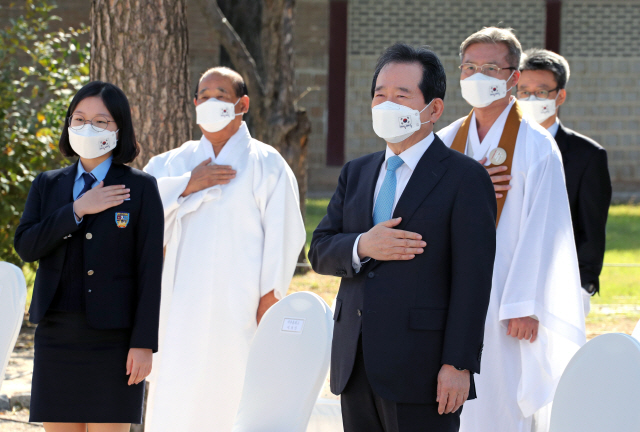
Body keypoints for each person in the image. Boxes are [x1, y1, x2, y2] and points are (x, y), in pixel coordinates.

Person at [310, 43, 497, 432]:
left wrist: (459, 364)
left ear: (433, 109)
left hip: (423, 370)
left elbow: (473, 281)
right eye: (380, 95)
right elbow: (321, 250)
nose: (387, 104)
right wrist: (363, 245)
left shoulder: (464, 178)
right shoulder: (356, 173)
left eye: (401, 95)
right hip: (355, 363)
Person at [437, 27, 587, 432]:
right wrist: (469, 183)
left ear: (512, 78)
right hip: (445, 292)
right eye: (469, 67)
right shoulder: (445, 139)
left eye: (490, 67)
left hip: (505, 299)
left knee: (497, 399)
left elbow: (546, 228)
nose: (477, 76)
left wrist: (525, 302)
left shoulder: (537, 146)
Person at [143, 66, 306, 431]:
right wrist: (187, 184)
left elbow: (285, 234)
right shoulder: (171, 163)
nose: (209, 102)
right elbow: (137, 214)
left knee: (233, 391)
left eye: (220, 95)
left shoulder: (266, 163)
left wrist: (270, 296)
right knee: (176, 393)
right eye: (203, 96)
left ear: (242, 104)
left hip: (239, 306)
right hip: (177, 304)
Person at [14, 81, 164, 432]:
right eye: (79, 119)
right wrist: (78, 209)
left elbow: (149, 270)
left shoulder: (140, 188)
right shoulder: (47, 184)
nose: (88, 128)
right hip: (56, 335)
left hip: (114, 340)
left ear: (119, 129)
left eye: (101, 121)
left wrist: (144, 344)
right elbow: (27, 246)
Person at [518, 48, 612, 316]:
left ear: (560, 95)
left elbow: (591, 229)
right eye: (523, 91)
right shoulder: (501, 147)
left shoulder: (588, 155)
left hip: (559, 284)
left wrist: (583, 286)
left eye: (542, 91)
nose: (531, 98)